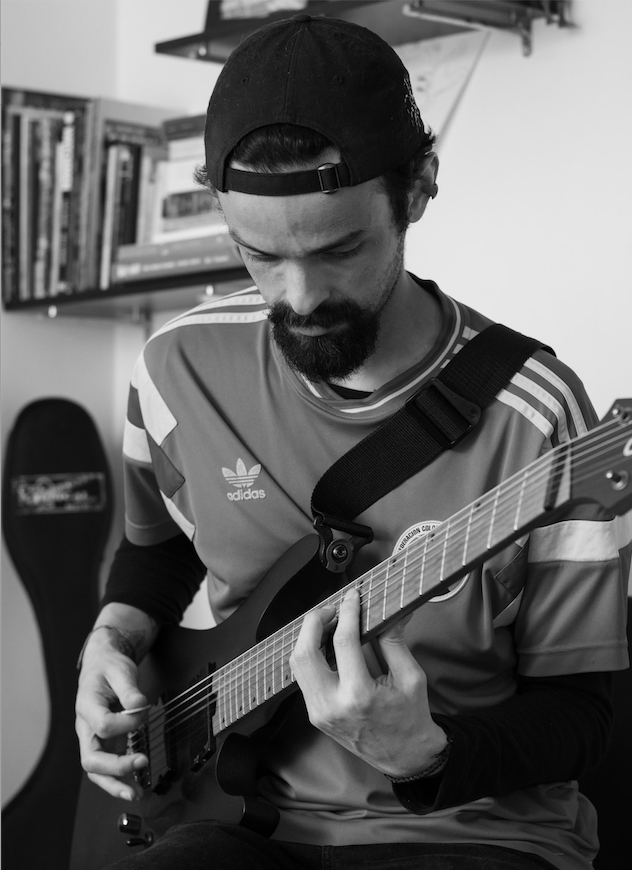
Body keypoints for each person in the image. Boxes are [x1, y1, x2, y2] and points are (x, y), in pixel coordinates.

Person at [75, 14, 630, 870]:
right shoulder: (174, 368)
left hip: (474, 835)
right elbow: (161, 554)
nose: (299, 297)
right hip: (245, 819)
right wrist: (111, 641)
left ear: (419, 190)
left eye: (340, 250)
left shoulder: (542, 417)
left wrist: (427, 753)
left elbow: (584, 720)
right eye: (259, 255)